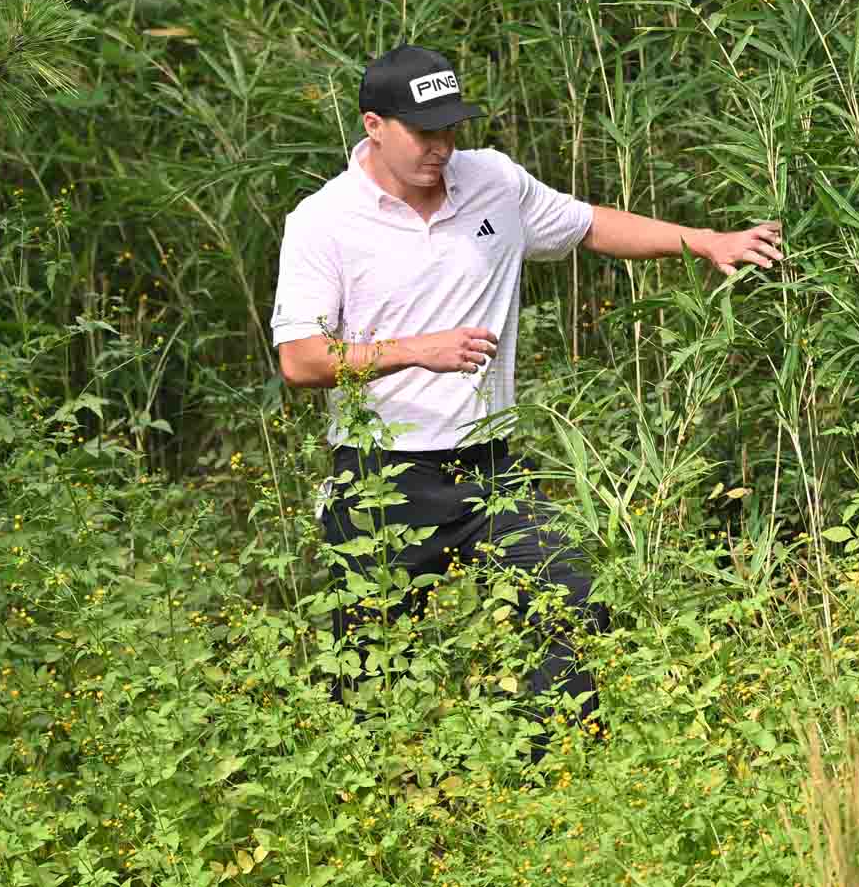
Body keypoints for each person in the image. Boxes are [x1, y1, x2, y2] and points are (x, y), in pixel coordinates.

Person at [270, 44, 782, 751]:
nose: (443, 148)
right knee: (371, 674)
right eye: (425, 133)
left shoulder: (494, 183)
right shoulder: (323, 222)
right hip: (383, 478)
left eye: (452, 129)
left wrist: (701, 240)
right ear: (374, 125)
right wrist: (419, 350)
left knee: (572, 600)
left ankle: (560, 775)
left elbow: (591, 224)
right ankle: (395, 813)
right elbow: (299, 362)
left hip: (490, 470)